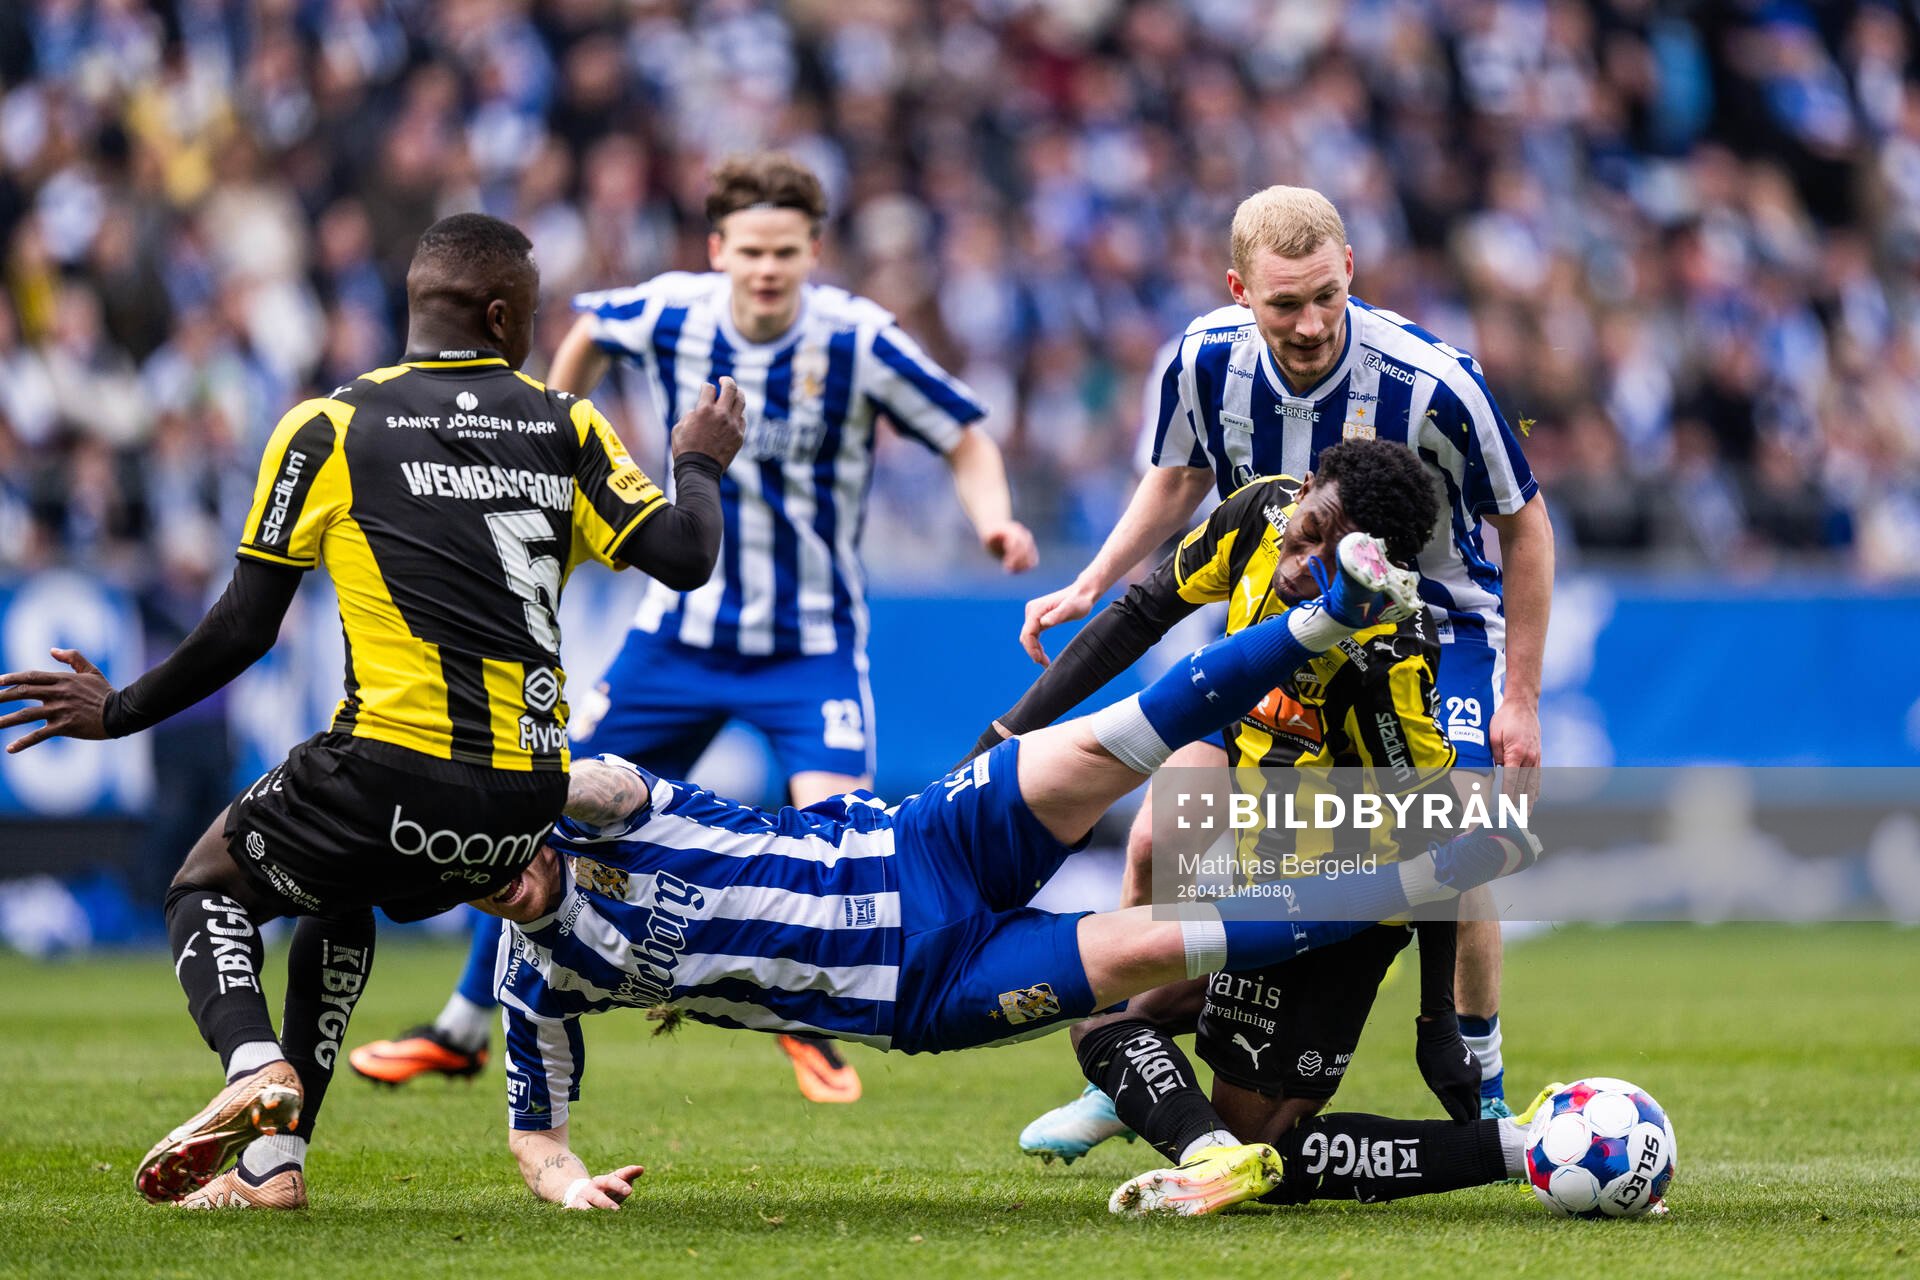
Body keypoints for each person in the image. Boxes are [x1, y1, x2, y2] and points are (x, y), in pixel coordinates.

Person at [0, 213, 747, 1210]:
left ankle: (253, 1066)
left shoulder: (330, 426)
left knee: (203, 884)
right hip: (524, 801)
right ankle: (273, 1165)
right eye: (530, 313)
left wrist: (121, 709)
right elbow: (687, 557)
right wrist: (698, 459)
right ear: (500, 317)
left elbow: (244, 626)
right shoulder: (568, 425)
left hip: (392, 771)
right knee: (335, 893)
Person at [470, 529, 1538, 1211]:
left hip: (911, 843)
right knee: (1164, 945)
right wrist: (569, 1188)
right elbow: (536, 1139)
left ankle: (1331, 616)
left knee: (1120, 737)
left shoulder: (610, 810)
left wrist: (505, 782)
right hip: (925, 989)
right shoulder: (538, 981)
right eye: (474, 885)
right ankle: (1405, 894)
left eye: (500, 847)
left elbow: (582, 775)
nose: (502, 878)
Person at [349, 152, 1036, 1105]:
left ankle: (807, 1021)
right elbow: (588, 335)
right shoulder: (671, 310)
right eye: (750, 250)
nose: (766, 269)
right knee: (533, 808)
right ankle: (463, 1030)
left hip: (808, 647)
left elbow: (964, 433)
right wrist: (551, 430)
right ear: (718, 250)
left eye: (785, 252)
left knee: (841, 839)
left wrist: (995, 519)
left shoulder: (858, 338)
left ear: (814, 252)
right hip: (677, 639)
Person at [1017, 185, 1554, 1117]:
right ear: (1239, 291)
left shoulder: (1435, 382)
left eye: (1325, 297)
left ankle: (1484, 1085)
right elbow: (1178, 476)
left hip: (1432, 636)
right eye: (1284, 304)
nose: (1310, 324)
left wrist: (1522, 697)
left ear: (1350, 268)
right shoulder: (1202, 359)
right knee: (1155, 839)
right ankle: (1132, 1059)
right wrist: (1093, 579)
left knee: (1459, 831)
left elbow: (1525, 525)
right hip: (1275, 622)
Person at [976, 441, 1483, 1163]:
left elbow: (1436, 831)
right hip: (1257, 884)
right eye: (1310, 531)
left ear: (1380, 567)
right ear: (1303, 489)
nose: (1303, 565)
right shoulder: (1256, 515)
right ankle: (1177, 1127)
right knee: (1097, 1007)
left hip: (1346, 912)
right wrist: (1005, 733)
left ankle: (1495, 1148)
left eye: (1334, 561)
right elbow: (1146, 609)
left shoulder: (1386, 656)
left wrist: (1438, 1021)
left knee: (1263, 1145)